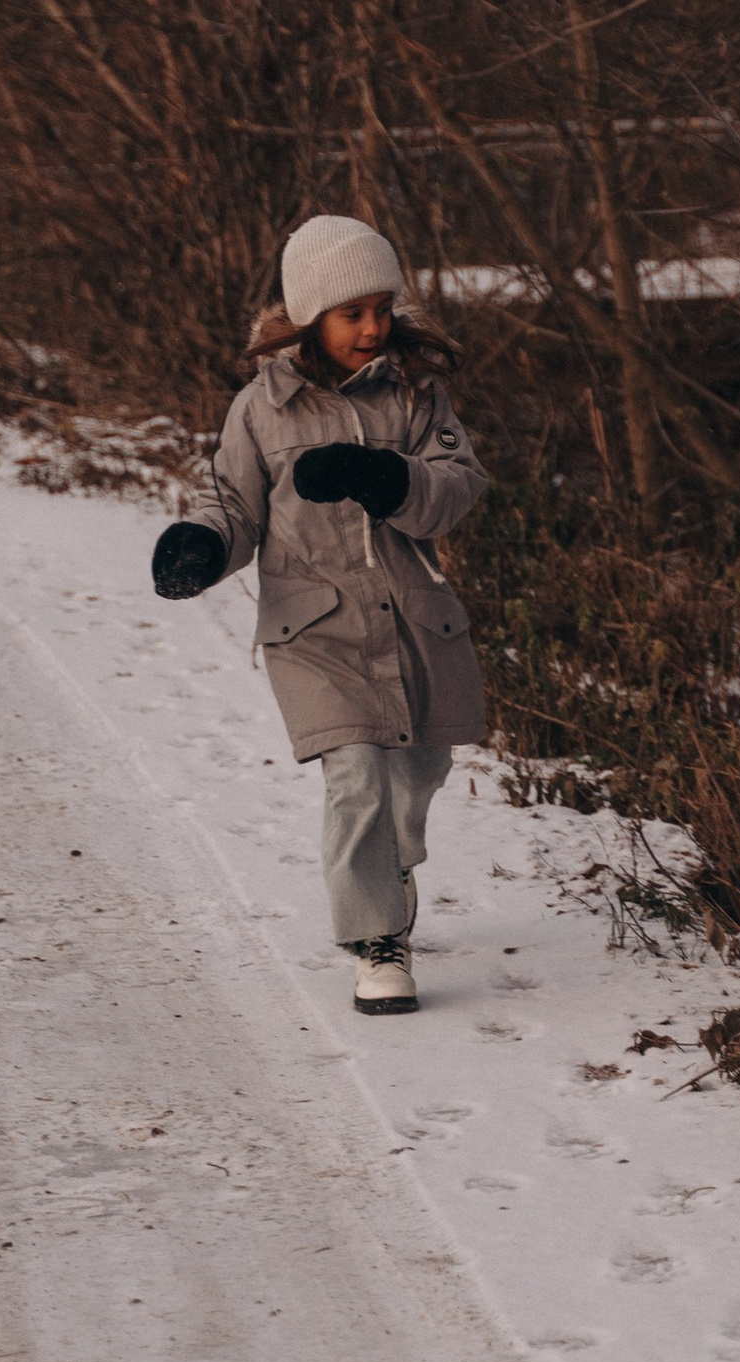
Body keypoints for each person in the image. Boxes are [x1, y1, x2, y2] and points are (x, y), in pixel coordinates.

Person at [150, 214, 488, 1016]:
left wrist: (386, 477)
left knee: (417, 774)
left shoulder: (417, 394)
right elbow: (232, 502)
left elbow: (458, 489)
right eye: (352, 314)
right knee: (358, 776)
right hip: (315, 631)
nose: (373, 327)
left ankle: (391, 863)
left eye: (382, 308)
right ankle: (377, 941)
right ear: (309, 316)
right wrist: (199, 543)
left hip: (414, 620)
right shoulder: (260, 410)